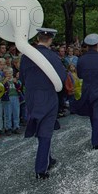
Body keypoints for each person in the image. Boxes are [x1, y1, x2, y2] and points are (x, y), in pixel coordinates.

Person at [19, 28, 67, 179]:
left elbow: (22, 77)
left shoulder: (26, 56)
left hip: (32, 96)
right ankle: (41, 168)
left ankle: (48, 157)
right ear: (50, 39)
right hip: (47, 95)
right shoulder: (52, 56)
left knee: (41, 127)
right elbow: (62, 77)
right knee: (46, 130)